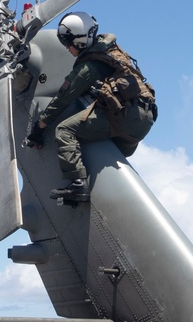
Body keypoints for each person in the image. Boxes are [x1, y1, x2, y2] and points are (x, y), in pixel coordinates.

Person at [24, 12, 157, 202]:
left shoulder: (91, 65)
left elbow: (64, 98)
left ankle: (78, 184)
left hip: (124, 118)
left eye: (67, 43)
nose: (67, 49)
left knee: (64, 130)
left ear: (78, 42)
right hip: (144, 120)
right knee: (104, 154)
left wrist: (40, 127)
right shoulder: (112, 51)